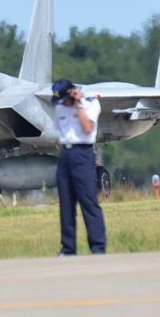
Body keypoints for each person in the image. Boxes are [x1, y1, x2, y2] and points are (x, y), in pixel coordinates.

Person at [51, 78, 106, 256]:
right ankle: (68, 248)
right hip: (66, 154)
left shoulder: (90, 104)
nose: (63, 103)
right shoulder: (59, 108)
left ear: (72, 93)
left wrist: (78, 105)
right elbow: (60, 129)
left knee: (88, 201)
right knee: (65, 204)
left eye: (65, 99)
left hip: (83, 153)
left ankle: (97, 247)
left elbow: (88, 128)